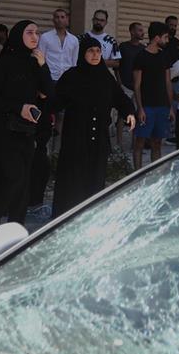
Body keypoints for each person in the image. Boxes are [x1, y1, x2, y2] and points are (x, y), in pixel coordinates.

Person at [50, 36, 136, 218]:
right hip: (76, 138)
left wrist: (129, 112)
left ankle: (89, 217)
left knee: (95, 178)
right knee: (73, 179)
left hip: (99, 139)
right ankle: (66, 217)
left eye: (98, 51)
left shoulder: (106, 77)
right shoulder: (72, 76)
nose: (95, 55)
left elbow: (120, 98)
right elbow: (55, 102)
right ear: (83, 53)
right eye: (91, 51)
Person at [0, 20, 53, 234]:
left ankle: (16, 224)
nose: (35, 36)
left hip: (28, 131)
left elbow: (49, 92)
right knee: (12, 176)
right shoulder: (5, 63)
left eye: (37, 33)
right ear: (18, 35)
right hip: (5, 131)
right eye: (29, 32)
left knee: (24, 180)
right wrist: (18, 107)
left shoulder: (34, 63)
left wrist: (43, 66)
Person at [32, 8, 78, 212]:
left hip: (67, 82)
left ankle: (58, 156)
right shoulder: (46, 38)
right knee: (47, 120)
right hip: (49, 81)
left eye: (63, 17)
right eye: (57, 17)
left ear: (67, 19)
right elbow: (39, 58)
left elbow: (75, 63)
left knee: (64, 119)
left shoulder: (74, 40)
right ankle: (46, 157)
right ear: (53, 20)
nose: (60, 20)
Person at [132, 21, 174, 168]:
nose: (167, 40)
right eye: (165, 37)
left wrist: (170, 107)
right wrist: (140, 108)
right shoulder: (141, 56)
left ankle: (155, 175)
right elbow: (136, 85)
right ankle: (136, 176)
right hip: (147, 107)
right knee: (140, 142)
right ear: (157, 38)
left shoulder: (165, 56)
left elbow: (168, 83)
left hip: (162, 106)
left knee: (157, 143)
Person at [118, 21, 146, 93]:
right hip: (125, 87)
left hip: (140, 88)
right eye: (140, 30)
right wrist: (120, 84)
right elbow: (117, 66)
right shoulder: (123, 46)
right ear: (132, 32)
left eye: (142, 30)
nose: (143, 33)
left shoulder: (144, 48)